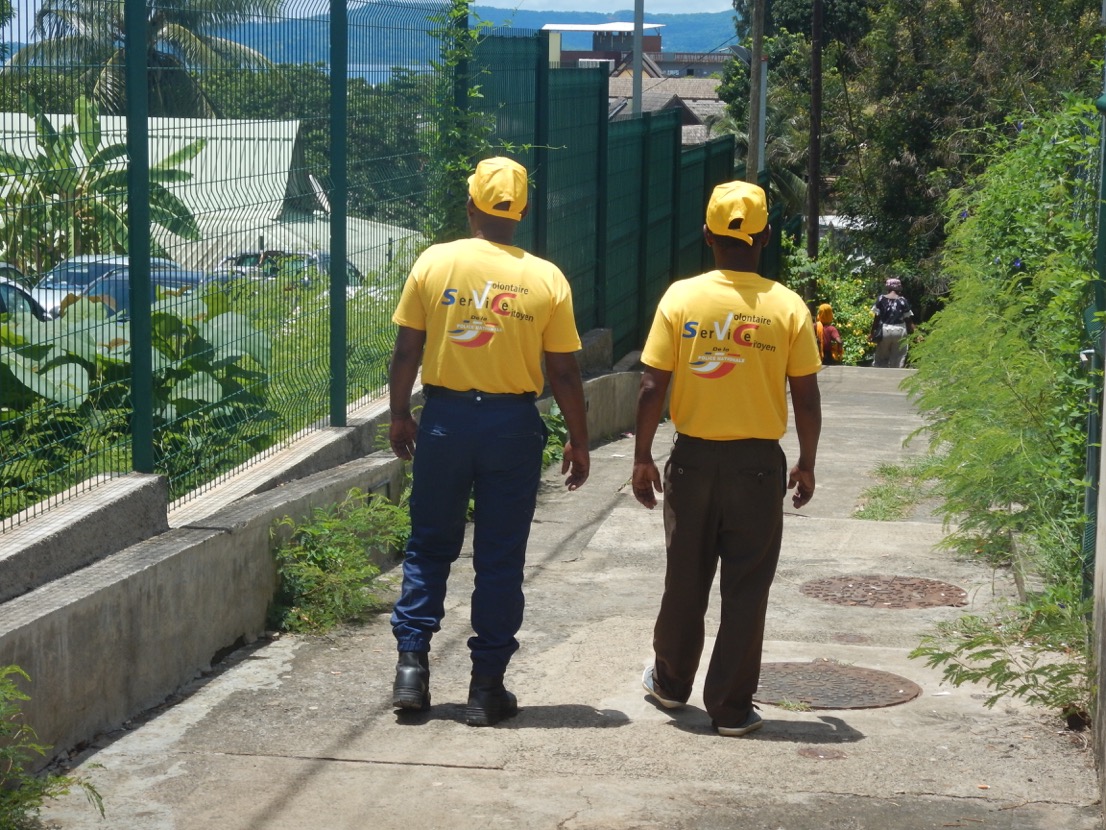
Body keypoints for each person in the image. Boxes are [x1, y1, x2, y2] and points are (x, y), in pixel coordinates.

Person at [387, 157, 591, 727]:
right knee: (500, 558)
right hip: (512, 426)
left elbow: (407, 349)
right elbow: (566, 372)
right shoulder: (547, 278)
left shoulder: (436, 262)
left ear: (471, 205)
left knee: (429, 546)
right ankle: (486, 686)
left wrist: (401, 413)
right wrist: (579, 439)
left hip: (446, 419)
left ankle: (411, 671)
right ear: (520, 212)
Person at [631, 180, 822, 738]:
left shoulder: (682, 298)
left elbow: (650, 385)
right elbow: (806, 396)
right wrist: (806, 462)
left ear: (707, 234)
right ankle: (732, 710)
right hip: (759, 467)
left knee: (684, 579)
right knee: (746, 588)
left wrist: (642, 457)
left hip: (691, 462)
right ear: (764, 236)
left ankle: (669, 684)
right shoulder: (787, 307)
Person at [871, 278, 915, 368]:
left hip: (885, 330)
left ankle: (880, 376)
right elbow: (908, 320)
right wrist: (916, 334)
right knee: (899, 357)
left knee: (881, 357)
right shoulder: (903, 300)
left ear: (887, 287)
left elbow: (877, 318)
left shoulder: (881, 299)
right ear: (899, 288)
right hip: (900, 331)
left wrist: (872, 332)